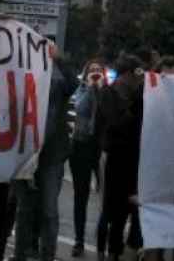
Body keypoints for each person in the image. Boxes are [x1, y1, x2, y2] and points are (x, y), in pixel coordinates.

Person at [15, 43, 75, 261]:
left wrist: (59, 59)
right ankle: (20, 253)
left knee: (49, 210)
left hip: (52, 155)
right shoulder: (23, 75)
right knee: (25, 209)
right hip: (25, 154)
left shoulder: (59, 78)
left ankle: (46, 256)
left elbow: (73, 85)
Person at [97, 52, 146, 261]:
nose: (138, 80)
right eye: (136, 75)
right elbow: (116, 123)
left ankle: (124, 249)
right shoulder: (111, 94)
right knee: (114, 211)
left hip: (135, 159)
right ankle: (110, 252)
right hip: (116, 158)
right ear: (127, 74)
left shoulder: (139, 95)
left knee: (131, 210)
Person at [68, 61, 106, 257]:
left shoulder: (107, 92)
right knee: (80, 196)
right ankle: (79, 240)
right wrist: (91, 88)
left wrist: (100, 91)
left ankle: (102, 242)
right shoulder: (81, 89)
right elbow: (81, 108)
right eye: (92, 71)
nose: (96, 73)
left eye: (99, 71)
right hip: (81, 146)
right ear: (85, 74)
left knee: (105, 196)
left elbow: (108, 113)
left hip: (100, 148)